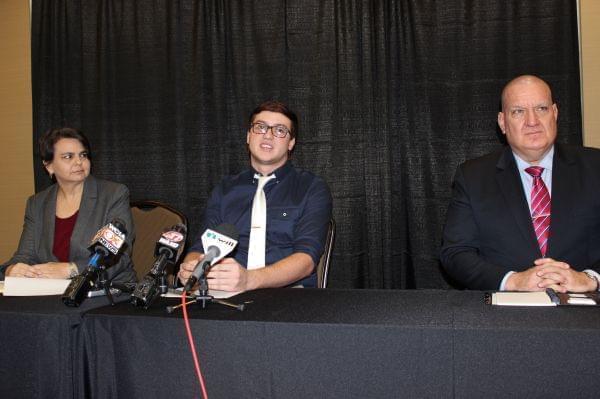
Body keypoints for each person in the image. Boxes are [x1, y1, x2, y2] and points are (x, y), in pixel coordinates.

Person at [441, 75, 600, 292]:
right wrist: (513, 281)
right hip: (506, 316)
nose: (532, 121)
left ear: (554, 113)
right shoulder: (472, 177)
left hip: (587, 313)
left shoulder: (595, 167)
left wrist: (591, 280)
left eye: (541, 109)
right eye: (518, 112)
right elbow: (456, 253)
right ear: (503, 122)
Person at [178, 100, 332, 292]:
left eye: (280, 130)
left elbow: (306, 260)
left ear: (291, 142)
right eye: (260, 127)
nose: (267, 135)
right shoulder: (224, 189)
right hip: (225, 293)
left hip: (289, 295)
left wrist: (250, 280)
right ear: (248, 136)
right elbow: (200, 248)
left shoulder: (312, 188)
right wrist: (191, 268)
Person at [0, 127, 137, 284]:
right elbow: (25, 255)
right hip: (52, 292)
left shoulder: (113, 194)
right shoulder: (36, 203)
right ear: (49, 166)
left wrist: (71, 269)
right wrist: (12, 269)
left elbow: (119, 257)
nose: (79, 162)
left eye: (83, 155)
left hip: (109, 291)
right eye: (68, 157)